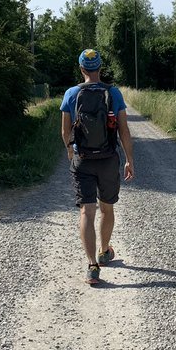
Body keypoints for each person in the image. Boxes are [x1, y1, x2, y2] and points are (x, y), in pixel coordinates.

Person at [60, 49, 134, 286]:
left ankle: (92, 266)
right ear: (100, 68)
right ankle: (104, 252)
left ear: (81, 69)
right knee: (107, 209)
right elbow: (123, 130)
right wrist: (129, 159)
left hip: (83, 159)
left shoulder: (71, 94)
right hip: (108, 158)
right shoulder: (113, 93)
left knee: (86, 211)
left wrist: (70, 150)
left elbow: (65, 130)